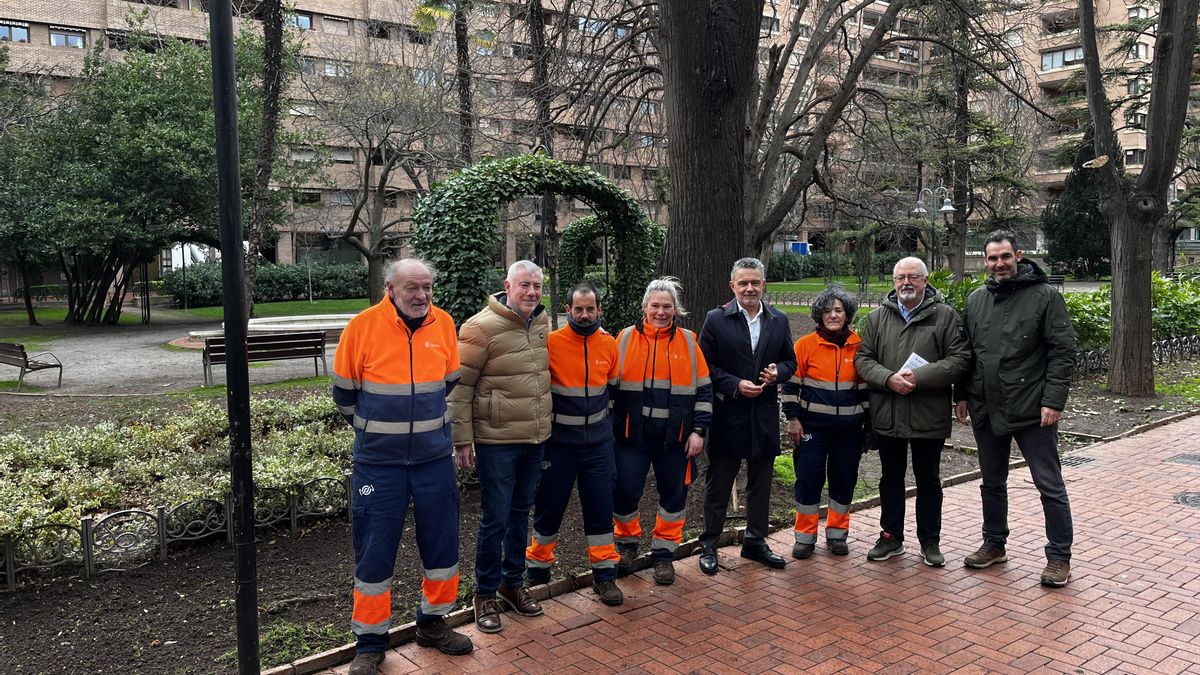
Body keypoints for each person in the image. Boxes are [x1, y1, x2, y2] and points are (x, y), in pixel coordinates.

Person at [332, 259, 473, 675]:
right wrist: (379, 430)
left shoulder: (444, 324)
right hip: (379, 464)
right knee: (375, 550)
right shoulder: (362, 327)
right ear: (390, 288)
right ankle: (370, 643)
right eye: (413, 287)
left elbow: (448, 381)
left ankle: (433, 623)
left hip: (433, 459)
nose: (422, 295)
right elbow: (344, 394)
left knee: (442, 544)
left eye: (427, 287)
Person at [955, 231, 1077, 587]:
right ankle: (994, 543)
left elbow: (1062, 352)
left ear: (1018, 256)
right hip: (986, 407)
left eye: (1005, 256)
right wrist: (962, 395)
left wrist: (1053, 401)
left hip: (1032, 409)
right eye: (993, 258)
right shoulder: (977, 300)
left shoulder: (1045, 297)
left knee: (1049, 484)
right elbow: (967, 354)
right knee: (992, 482)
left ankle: (1059, 556)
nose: (999, 264)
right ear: (985, 261)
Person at [448, 260, 551, 634]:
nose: (532, 292)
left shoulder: (541, 323)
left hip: (534, 438)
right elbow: (459, 389)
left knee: (520, 512)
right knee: (495, 517)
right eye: (525, 285)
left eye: (537, 286)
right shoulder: (479, 327)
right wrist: (462, 440)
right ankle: (485, 593)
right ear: (507, 287)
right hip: (497, 442)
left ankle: (512, 583)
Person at [855, 256, 970, 567]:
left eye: (913, 277)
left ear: (925, 281)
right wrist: (888, 378)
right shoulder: (877, 318)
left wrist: (920, 377)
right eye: (900, 277)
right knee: (890, 477)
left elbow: (960, 359)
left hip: (927, 413)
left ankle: (930, 542)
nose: (906, 282)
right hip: (888, 412)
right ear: (894, 282)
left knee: (928, 479)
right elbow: (863, 359)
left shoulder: (945, 316)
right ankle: (890, 537)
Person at [525, 282, 624, 606]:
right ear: (567, 310)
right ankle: (537, 571)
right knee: (548, 508)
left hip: (598, 446)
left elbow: (613, 388)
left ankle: (604, 575)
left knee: (600, 508)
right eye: (578, 309)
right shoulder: (551, 343)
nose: (584, 315)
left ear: (599, 310)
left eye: (589, 309)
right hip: (558, 446)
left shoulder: (609, 344)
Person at [696, 257, 796, 574]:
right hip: (728, 415)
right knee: (719, 483)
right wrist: (734, 385)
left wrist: (778, 373)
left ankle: (754, 542)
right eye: (743, 283)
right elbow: (704, 366)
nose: (749, 288)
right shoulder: (716, 319)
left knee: (760, 483)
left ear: (763, 284)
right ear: (733, 286)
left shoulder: (778, 320)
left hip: (763, 415)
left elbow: (790, 361)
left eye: (755, 282)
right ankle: (709, 544)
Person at [611, 277, 713, 586]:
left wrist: (698, 431)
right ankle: (626, 546)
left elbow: (704, 391)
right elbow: (608, 386)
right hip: (631, 437)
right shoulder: (624, 338)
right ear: (644, 307)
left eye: (667, 306)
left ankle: (664, 554)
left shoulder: (688, 342)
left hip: (675, 439)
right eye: (655, 305)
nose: (660, 312)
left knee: (674, 493)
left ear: (675, 309)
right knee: (625, 491)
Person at [780, 286, 869, 559]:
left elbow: (865, 390)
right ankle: (804, 537)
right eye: (828, 310)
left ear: (847, 314)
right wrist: (793, 419)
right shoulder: (805, 345)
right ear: (819, 315)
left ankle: (837, 534)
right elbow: (790, 386)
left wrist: (869, 425)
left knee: (844, 480)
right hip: (812, 429)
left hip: (849, 431)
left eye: (838, 310)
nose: (833, 315)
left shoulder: (859, 345)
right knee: (808, 479)